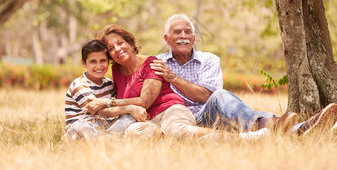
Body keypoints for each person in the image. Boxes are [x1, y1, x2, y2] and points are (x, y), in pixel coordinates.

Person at [150, 14, 337, 134]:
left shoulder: (209, 60)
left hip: (212, 117)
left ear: (193, 37)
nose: (183, 36)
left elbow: (206, 96)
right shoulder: (156, 63)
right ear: (167, 39)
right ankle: (289, 126)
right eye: (177, 32)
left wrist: (173, 77)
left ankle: (297, 127)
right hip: (182, 121)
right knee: (238, 110)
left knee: (220, 97)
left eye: (188, 32)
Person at [86, 24, 237, 139]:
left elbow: (144, 101)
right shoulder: (117, 70)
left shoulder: (151, 63)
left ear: (131, 43)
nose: (117, 49)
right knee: (133, 133)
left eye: (120, 43)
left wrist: (107, 102)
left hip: (170, 111)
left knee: (177, 130)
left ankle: (236, 138)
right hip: (147, 120)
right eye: (111, 48)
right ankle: (166, 139)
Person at [65, 39, 148, 140]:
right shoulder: (79, 85)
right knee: (83, 127)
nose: (99, 66)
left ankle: (107, 138)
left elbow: (114, 106)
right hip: (81, 127)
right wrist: (129, 108)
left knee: (129, 118)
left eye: (103, 61)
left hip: (104, 126)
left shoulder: (109, 83)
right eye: (93, 62)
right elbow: (99, 111)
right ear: (84, 63)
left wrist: (131, 111)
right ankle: (106, 139)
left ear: (108, 62)